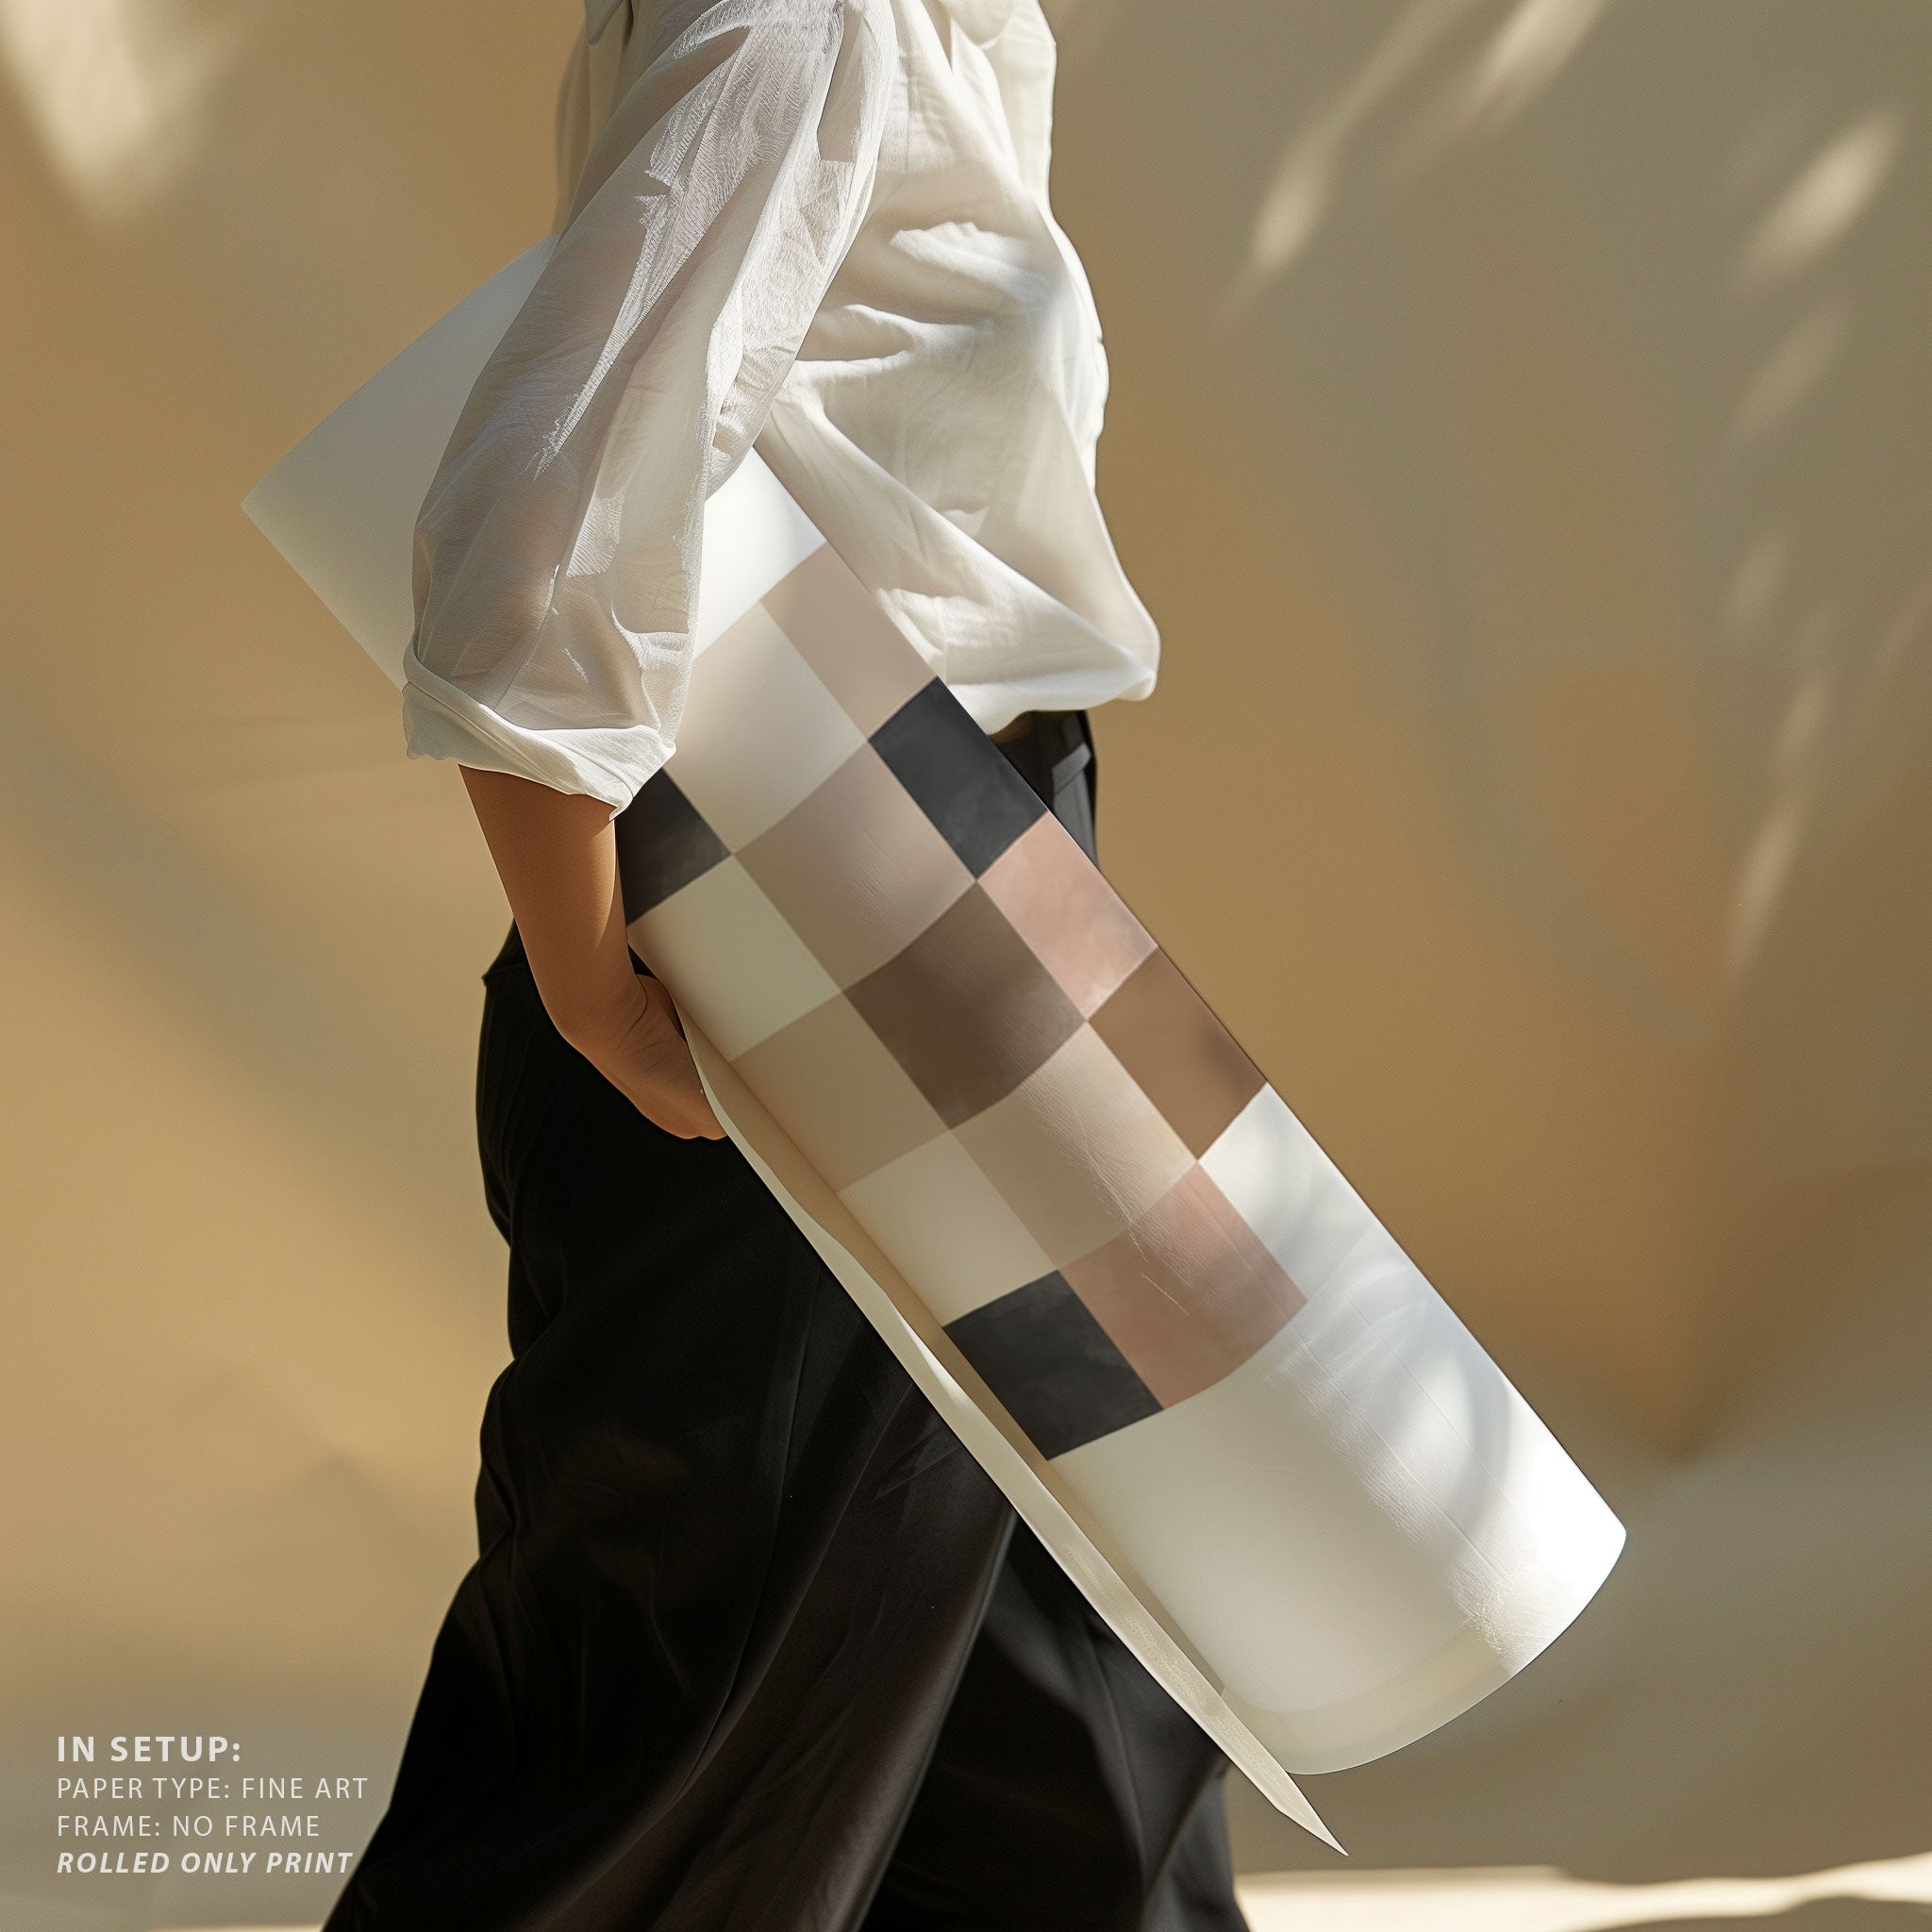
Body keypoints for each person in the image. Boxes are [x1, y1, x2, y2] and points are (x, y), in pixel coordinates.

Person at [323, 2, 1243, 1925]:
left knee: (1082, 1723)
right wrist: (592, 985)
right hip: (813, 907)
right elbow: (545, 510)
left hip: (978, 876)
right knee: (652, 1761)